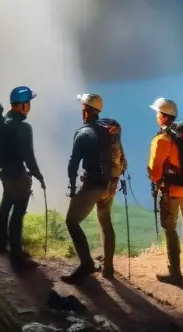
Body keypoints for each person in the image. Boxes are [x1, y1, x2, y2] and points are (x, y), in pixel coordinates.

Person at [62, 93, 121, 283]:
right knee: (105, 223)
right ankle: (109, 269)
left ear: (86, 113)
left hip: (94, 185)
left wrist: (72, 188)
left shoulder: (83, 134)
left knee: (72, 221)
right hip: (110, 185)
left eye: (82, 110)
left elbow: (73, 164)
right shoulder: (109, 130)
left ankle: (86, 263)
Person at [148, 96, 183, 284]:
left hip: (170, 190)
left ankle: (175, 273)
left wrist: (156, 181)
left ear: (164, 117)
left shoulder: (163, 139)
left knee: (170, 229)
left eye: (158, 113)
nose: (156, 116)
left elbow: (155, 170)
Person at [0, 85, 44, 271]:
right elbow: (28, 156)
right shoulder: (24, 127)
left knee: (6, 204)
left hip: (3, 171)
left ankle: (2, 244)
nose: (30, 106)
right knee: (18, 213)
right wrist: (38, 176)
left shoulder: (3, 121)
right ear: (23, 105)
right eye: (29, 103)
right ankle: (16, 256)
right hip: (16, 173)